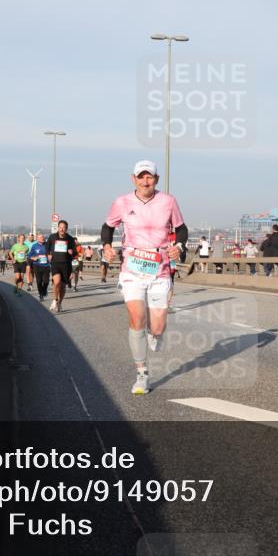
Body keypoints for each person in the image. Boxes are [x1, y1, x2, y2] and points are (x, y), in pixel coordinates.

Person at [101, 160, 187, 396]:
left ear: (156, 179)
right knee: (136, 318)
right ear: (134, 179)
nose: (145, 181)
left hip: (159, 270)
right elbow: (107, 227)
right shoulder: (122, 202)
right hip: (132, 269)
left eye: (150, 177)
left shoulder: (168, 201)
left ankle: (154, 333)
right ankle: (142, 374)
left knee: (157, 326)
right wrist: (107, 245)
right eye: (141, 177)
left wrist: (179, 246)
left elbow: (181, 229)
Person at [47, 220, 78, 313]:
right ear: (58, 228)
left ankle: (59, 303)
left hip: (66, 264)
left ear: (66, 229)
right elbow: (47, 247)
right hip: (55, 263)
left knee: (63, 286)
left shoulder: (70, 239)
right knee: (57, 282)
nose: (62, 229)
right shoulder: (52, 237)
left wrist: (72, 252)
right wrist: (48, 254)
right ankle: (55, 300)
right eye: (60, 227)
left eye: (64, 227)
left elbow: (75, 252)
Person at [28, 233, 51, 302]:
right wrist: (34, 258)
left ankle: (44, 290)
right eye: (41, 237)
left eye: (43, 237)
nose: (42, 238)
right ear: (37, 239)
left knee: (46, 281)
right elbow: (29, 255)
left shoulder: (47, 245)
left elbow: (52, 252)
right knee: (39, 281)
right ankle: (41, 295)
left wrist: (50, 256)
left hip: (46, 265)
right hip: (37, 265)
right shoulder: (34, 246)